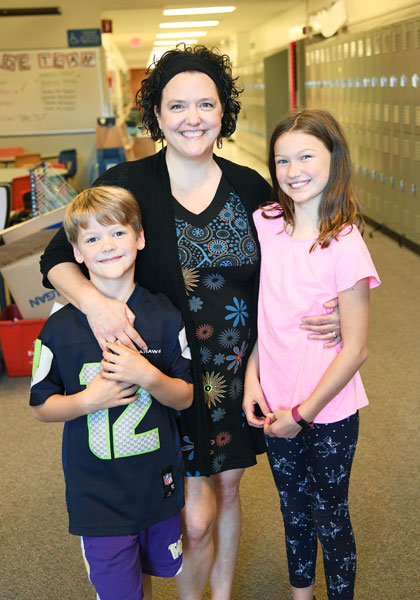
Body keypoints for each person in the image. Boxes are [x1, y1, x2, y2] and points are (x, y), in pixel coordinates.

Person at [39, 46, 341, 600]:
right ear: (157, 115)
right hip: (160, 372)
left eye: (206, 104)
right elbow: (55, 257)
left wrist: (339, 309)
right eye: (178, 105)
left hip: (234, 374)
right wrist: (95, 304)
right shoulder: (128, 182)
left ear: (224, 112)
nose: (193, 117)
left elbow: (302, 251)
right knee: (187, 518)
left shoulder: (251, 187)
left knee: (224, 495)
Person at [243, 108, 381, 600]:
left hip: (327, 410)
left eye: (306, 156)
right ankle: (301, 594)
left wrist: (302, 415)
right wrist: (252, 380)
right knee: (292, 509)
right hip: (276, 402)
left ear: (334, 159)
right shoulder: (266, 223)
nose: (293, 170)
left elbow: (358, 346)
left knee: (329, 513)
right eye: (282, 160)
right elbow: (266, 314)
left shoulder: (344, 242)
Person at [30, 186, 193, 600]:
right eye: (92, 238)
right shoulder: (59, 328)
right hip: (98, 496)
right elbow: (40, 406)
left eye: (118, 233)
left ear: (139, 238)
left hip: (158, 486)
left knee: (148, 578)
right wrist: (89, 400)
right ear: (77, 253)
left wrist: (148, 375)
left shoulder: (164, 314)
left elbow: (185, 396)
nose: (107, 245)